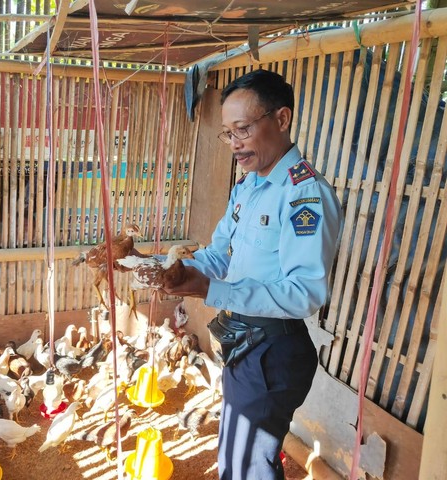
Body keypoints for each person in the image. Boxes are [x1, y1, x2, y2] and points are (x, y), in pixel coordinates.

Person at [162, 69, 342, 479]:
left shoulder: (304, 194)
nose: (234, 144)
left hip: (273, 352)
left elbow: (304, 293)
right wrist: (167, 268)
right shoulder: (248, 187)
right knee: (237, 460)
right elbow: (219, 256)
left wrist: (214, 289)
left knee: (247, 468)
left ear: (281, 119)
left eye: (242, 129)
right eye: (228, 133)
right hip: (245, 345)